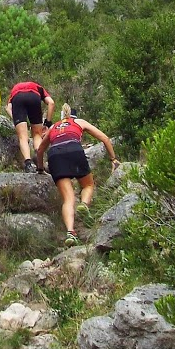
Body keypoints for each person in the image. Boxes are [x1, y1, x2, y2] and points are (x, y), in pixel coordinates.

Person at [36, 103, 120, 246]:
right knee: (88, 185)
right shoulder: (79, 122)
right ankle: (84, 204)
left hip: (55, 155)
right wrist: (113, 159)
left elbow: (40, 150)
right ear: (73, 116)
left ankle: (70, 232)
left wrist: (40, 168)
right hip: (74, 149)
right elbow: (105, 138)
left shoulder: (53, 127)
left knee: (68, 199)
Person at [6, 80, 55, 173]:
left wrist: (17, 119)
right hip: (34, 96)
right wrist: (47, 123)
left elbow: (8, 108)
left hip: (17, 97)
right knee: (37, 134)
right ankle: (38, 157)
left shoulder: (15, 89)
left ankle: (28, 164)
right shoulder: (38, 87)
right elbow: (51, 103)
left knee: (22, 136)